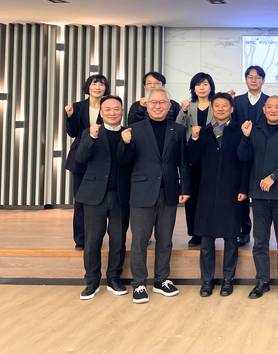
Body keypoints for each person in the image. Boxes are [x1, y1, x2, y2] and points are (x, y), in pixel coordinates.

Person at [119, 88, 190, 304]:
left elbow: (183, 162)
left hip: (169, 190)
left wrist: (185, 188)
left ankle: (161, 280)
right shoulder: (134, 129)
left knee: (165, 239)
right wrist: (124, 144)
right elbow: (125, 161)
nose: (158, 106)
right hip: (141, 191)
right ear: (147, 105)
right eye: (153, 102)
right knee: (140, 240)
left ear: (169, 106)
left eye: (162, 102)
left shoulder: (177, 130)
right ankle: (139, 283)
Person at [187, 92, 250, 297]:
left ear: (231, 109)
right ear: (212, 109)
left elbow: (245, 161)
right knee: (207, 239)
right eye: (217, 106)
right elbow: (193, 160)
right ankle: (207, 280)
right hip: (206, 191)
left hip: (231, 190)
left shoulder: (240, 130)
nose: (221, 109)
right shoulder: (203, 132)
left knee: (231, 238)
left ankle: (228, 279)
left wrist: (244, 189)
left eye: (225, 105)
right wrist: (193, 138)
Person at [238, 96, 278, 300]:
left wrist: (273, 177)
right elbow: (243, 157)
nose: (273, 110)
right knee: (260, 241)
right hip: (259, 196)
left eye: (277, 107)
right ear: (264, 110)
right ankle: (262, 281)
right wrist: (245, 137)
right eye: (269, 107)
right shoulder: (253, 131)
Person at [75, 95, 131, 300]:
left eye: (116, 109)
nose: (112, 112)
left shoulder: (129, 133)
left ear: (122, 111)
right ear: (101, 112)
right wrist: (91, 137)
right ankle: (91, 281)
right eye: (107, 109)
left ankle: (114, 278)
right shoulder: (90, 131)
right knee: (92, 240)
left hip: (121, 195)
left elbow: (130, 160)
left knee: (118, 240)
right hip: (94, 195)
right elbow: (80, 157)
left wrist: (126, 144)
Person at [64, 74, 110, 250]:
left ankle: (96, 237)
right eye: (94, 84)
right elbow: (72, 132)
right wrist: (70, 116)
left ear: (105, 88)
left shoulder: (108, 105)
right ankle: (81, 239)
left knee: (100, 201)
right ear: (88, 87)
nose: (98, 87)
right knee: (80, 200)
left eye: (101, 84)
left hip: (101, 157)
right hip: (80, 159)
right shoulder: (77, 107)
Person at [176, 72, 216, 247]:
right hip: (191, 156)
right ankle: (194, 233)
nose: (201, 88)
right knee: (192, 197)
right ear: (193, 88)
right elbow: (178, 128)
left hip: (211, 156)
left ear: (211, 87)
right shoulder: (188, 106)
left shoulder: (216, 105)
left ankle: (208, 231)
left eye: (205, 84)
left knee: (208, 197)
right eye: (198, 84)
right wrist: (183, 111)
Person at [232, 65, 270, 247]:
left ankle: (263, 234)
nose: (253, 80)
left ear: (263, 80)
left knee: (262, 194)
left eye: (257, 77)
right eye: (250, 76)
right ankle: (243, 230)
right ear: (246, 79)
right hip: (241, 152)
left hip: (264, 153)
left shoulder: (270, 101)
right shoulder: (236, 101)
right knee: (242, 192)